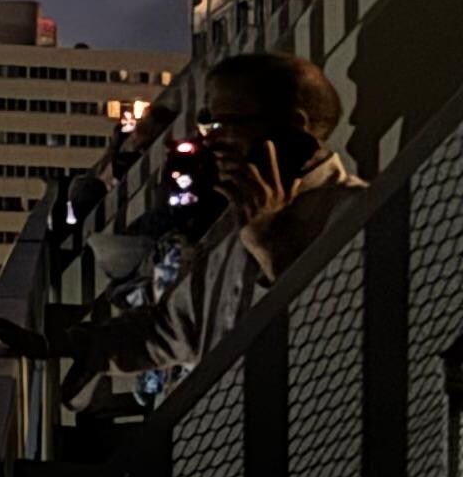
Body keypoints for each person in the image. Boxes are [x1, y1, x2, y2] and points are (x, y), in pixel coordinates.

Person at [74, 51, 364, 413]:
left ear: (294, 126)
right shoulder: (236, 214)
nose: (210, 141)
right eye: (208, 125)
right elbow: (174, 328)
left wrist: (270, 248)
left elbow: (336, 342)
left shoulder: (356, 213)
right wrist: (68, 345)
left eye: (226, 124)